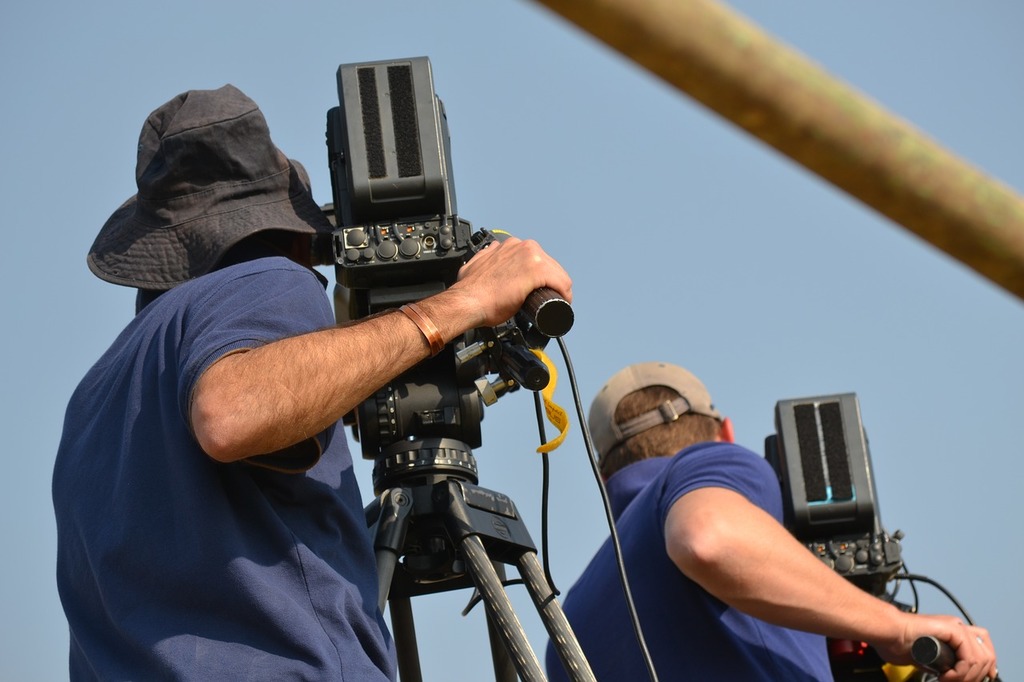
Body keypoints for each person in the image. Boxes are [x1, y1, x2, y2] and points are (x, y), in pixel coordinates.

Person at [52, 84, 573, 681]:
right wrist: (461, 305)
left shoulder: (95, 397)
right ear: (296, 235)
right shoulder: (265, 278)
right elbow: (231, 411)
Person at [545, 361, 998, 682]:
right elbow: (708, 539)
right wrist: (897, 628)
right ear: (726, 433)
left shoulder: (567, 629)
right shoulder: (707, 463)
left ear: (606, 479)